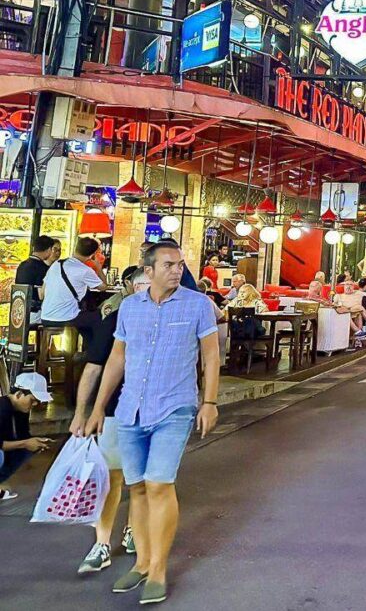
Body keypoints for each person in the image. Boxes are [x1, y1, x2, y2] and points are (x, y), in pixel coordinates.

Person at [85, 242, 221, 605]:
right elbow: (116, 360)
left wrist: (209, 402)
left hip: (174, 408)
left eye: (180, 264)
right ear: (148, 271)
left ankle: (158, 569)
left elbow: (210, 354)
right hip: (130, 410)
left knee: (160, 484)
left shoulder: (197, 305)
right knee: (138, 488)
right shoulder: (130, 308)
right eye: (168, 265)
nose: (176, 270)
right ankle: (142, 562)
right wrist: (98, 408)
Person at [72, 265, 149, 573]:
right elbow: (93, 367)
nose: (146, 288)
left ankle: (132, 530)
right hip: (117, 409)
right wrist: (84, 412)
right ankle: (102, 543)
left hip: (155, 411)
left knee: (142, 478)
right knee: (112, 477)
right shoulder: (116, 319)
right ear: (129, 287)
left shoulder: (170, 319)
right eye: (140, 283)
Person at [0, 372, 53, 500]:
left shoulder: (21, 411)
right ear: (18, 394)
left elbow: (24, 436)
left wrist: (36, 443)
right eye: (32, 400)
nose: (34, 405)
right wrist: (25, 443)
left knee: (26, 451)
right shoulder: (2, 408)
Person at [39, 235, 105, 326]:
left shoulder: (57, 264)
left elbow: (42, 294)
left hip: (45, 317)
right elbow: (104, 287)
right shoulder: (85, 270)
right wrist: (99, 268)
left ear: (75, 248)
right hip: (67, 318)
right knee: (100, 317)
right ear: (92, 254)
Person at [15, 235, 60, 320]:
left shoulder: (22, 265)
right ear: (49, 249)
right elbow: (41, 295)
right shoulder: (42, 268)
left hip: (19, 310)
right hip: (35, 313)